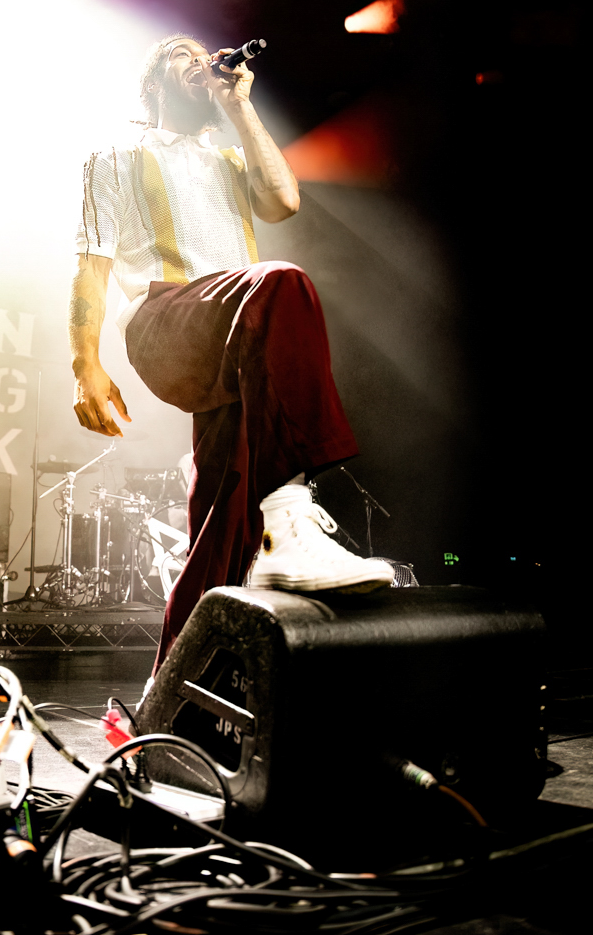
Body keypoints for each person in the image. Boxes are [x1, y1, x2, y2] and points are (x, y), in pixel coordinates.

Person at [68, 35, 392, 675]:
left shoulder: (229, 158)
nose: (202, 62)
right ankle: (289, 521)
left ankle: (174, 694)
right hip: (166, 319)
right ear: (154, 84)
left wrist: (238, 105)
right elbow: (90, 268)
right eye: (183, 57)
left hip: (239, 333)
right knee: (284, 282)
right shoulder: (114, 158)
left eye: (205, 56)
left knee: (224, 521)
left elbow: (284, 201)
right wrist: (85, 365)